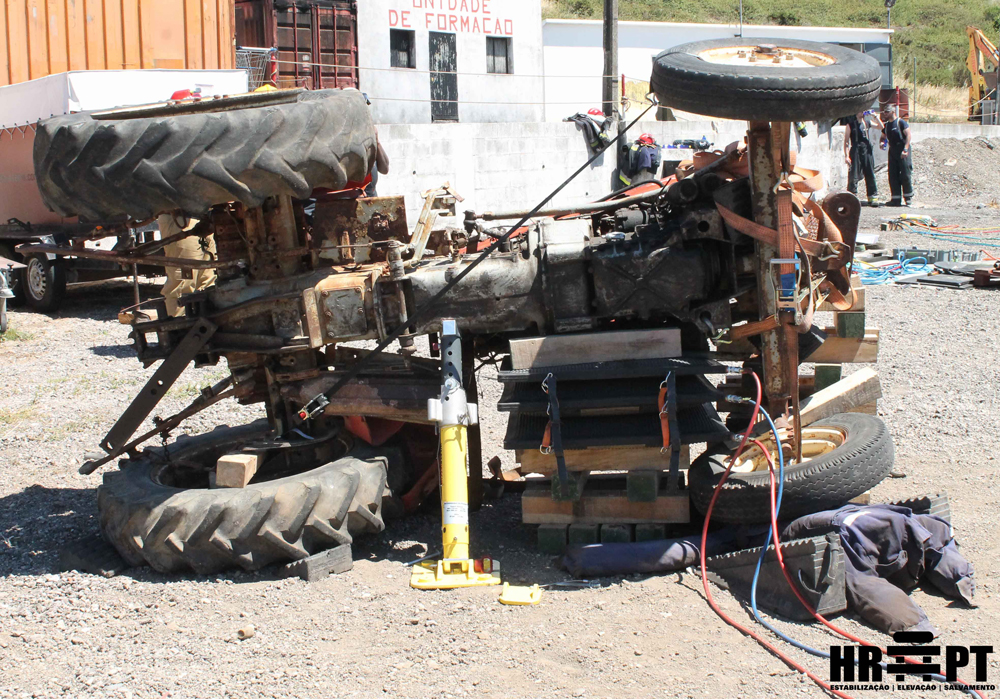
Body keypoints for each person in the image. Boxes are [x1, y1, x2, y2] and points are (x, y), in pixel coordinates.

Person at [158, 212, 216, 317]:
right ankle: (179, 327)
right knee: (183, 285)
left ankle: (203, 325)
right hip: (181, 220)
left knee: (208, 282)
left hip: (204, 218)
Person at [843, 110, 883, 206]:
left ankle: (872, 197)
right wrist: (846, 156)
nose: (862, 113)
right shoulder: (850, 125)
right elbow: (846, 142)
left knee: (870, 172)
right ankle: (852, 197)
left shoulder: (868, 123)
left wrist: (875, 117)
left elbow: (881, 127)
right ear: (856, 113)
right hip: (856, 150)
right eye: (860, 111)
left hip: (866, 149)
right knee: (854, 174)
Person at [882, 106, 914, 207]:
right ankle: (895, 199)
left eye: (887, 112)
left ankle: (908, 198)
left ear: (892, 111)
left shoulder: (900, 122)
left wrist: (905, 149)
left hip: (902, 150)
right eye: (884, 112)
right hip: (893, 151)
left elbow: (908, 135)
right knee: (893, 175)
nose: (885, 114)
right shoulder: (887, 125)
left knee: (905, 173)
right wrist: (882, 143)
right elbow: (883, 137)